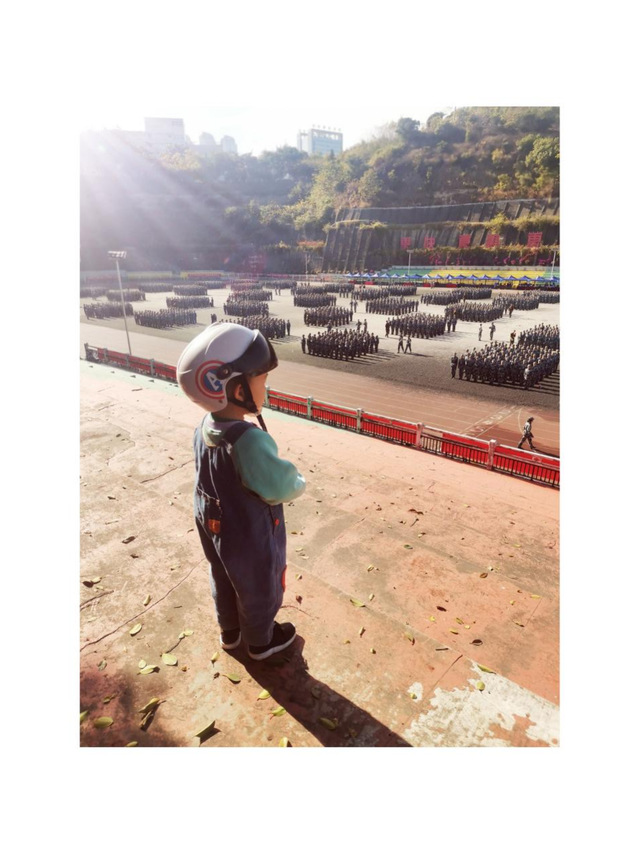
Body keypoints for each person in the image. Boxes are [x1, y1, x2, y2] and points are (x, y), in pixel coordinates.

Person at [177, 323, 306, 660]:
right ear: (235, 389)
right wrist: (298, 481)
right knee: (258, 582)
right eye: (261, 380)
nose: (265, 387)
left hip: (211, 520)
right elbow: (280, 486)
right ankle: (262, 641)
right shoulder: (248, 440)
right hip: (247, 529)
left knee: (221, 573)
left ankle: (230, 631)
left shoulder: (205, 426)